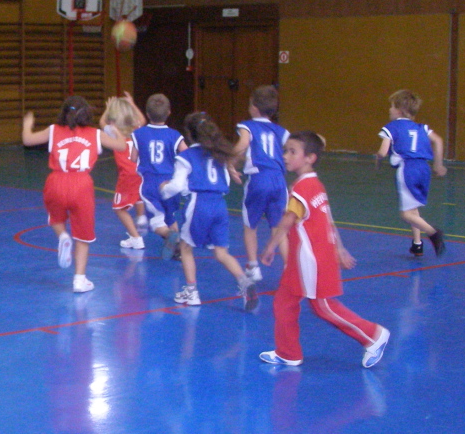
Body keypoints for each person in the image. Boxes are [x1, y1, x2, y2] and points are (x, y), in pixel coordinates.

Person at [259, 131, 390, 368]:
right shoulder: (315, 185)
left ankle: (373, 335)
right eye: (285, 150)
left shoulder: (301, 190)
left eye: (292, 152)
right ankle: (288, 353)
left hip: (312, 260)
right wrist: (339, 248)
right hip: (304, 260)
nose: (286, 156)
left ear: (310, 158)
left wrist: (270, 246)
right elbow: (328, 219)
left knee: (323, 306)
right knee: (284, 302)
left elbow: (288, 220)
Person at [22, 95, 128, 293]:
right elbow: (122, 146)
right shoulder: (95, 134)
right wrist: (114, 130)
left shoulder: (53, 130)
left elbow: (27, 140)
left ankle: (62, 236)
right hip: (81, 184)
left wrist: (28, 124)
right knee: (83, 236)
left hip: (56, 181)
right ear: (87, 114)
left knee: (55, 218)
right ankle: (79, 280)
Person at [160, 112, 258, 311]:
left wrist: (164, 189)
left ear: (190, 134)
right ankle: (245, 283)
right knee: (222, 253)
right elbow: (227, 181)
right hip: (219, 206)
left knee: (186, 247)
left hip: (199, 204)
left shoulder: (186, 156)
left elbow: (177, 185)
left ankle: (192, 291)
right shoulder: (219, 155)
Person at [376, 90, 448, 256]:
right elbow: (438, 140)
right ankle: (417, 244)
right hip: (424, 170)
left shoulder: (391, 127)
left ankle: (433, 233)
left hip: (407, 170)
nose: (389, 110)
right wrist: (438, 164)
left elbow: (382, 151)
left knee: (406, 214)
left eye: (391, 107)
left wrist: (378, 158)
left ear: (399, 110)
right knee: (413, 208)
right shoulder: (421, 128)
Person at [232, 85, 290, 281]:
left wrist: (229, 160)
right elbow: (294, 146)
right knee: (278, 227)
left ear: (253, 107)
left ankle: (253, 266)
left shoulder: (247, 126)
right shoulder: (280, 131)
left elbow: (242, 146)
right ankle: (288, 268)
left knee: (250, 225)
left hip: (258, 178)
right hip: (278, 180)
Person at [131, 93, 187, 259]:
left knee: (154, 222)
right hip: (171, 183)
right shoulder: (174, 135)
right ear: (169, 112)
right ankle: (178, 250)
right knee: (170, 216)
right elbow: (186, 153)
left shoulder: (139, 133)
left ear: (147, 114)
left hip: (150, 184)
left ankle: (171, 236)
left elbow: (133, 157)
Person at [99, 92, 147, 250]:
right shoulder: (137, 130)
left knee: (119, 208)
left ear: (114, 121)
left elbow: (101, 122)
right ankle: (141, 217)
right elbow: (142, 119)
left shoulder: (114, 133)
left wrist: (108, 108)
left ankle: (136, 238)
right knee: (138, 193)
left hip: (127, 175)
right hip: (141, 172)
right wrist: (132, 103)